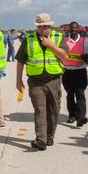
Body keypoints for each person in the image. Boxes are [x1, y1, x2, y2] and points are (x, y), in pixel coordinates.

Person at [15, 13, 68, 150]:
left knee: (53, 110)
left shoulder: (58, 37)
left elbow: (65, 57)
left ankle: (50, 136)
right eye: (40, 26)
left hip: (53, 80)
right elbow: (21, 61)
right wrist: (18, 79)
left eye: (46, 26)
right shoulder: (29, 39)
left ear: (50, 26)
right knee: (40, 110)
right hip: (35, 81)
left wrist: (51, 45)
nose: (43, 29)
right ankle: (41, 139)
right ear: (37, 27)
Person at [61, 21, 88, 127]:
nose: (73, 29)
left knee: (80, 94)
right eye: (71, 28)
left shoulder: (84, 41)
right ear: (69, 29)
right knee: (70, 95)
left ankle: (81, 117)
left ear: (78, 29)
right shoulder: (64, 41)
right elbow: (60, 55)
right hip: (67, 72)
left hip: (80, 72)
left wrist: (87, 56)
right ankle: (72, 116)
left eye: (75, 27)